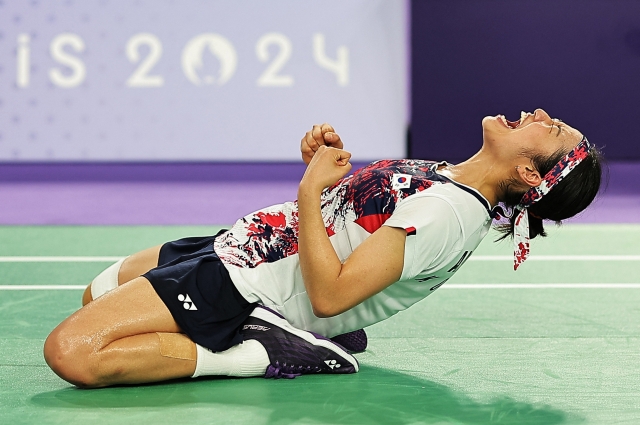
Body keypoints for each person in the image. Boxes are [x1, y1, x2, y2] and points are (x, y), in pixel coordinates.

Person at [44, 108, 603, 388]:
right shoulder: (450, 181)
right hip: (248, 244)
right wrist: (325, 169)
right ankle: (288, 334)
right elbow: (351, 223)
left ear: (530, 172)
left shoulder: (446, 214)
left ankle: (259, 351)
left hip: (250, 283)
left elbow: (332, 293)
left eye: (550, 128)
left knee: (73, 351)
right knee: (98, 292)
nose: (538, 114)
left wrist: (309, 192)